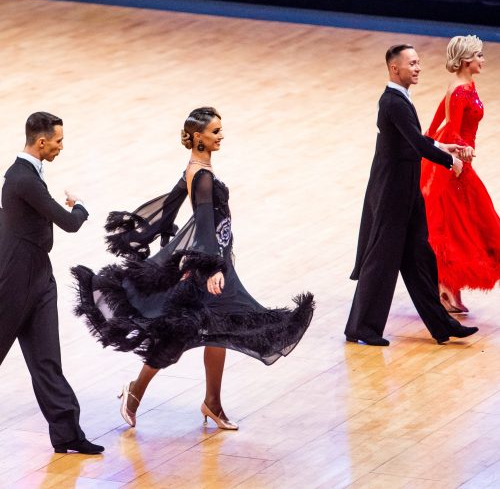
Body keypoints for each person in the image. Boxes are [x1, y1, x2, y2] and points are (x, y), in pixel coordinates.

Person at [72, 107, 314, 430]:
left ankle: (211, 403)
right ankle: (137, 391)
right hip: (213, 267)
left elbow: (171, 207)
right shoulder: (202, 176)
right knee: (179, 334)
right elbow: (203, 222)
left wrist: (158, 236)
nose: (221, 136)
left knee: (218, 329)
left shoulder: (193, 169)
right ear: (199, 137)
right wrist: (211, 267)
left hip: (217, 261)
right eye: (215, 132)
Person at [344, 45, 479, 346]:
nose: (418, 68)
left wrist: (445, 147)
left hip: (407, 191)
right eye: (413, 63)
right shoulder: (392, 102)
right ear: (395, 68)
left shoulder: (400, 100)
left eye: (419, 63)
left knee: (420, 256)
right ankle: (361, 328)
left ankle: (441, 324)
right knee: (381, 261)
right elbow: (417, 146)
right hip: (392, 193)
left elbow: (411, 141)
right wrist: (450, 161)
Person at [0, 112, 104, 454]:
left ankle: (67, 434)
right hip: (15, 279)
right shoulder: (21, 178)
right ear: (41, 141)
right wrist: (81, 207)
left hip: (40, 276)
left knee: (46, 360)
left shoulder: (28, 175)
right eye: (58, 140)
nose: (61, 146)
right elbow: (69, 223)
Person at [421, 35, 500, 313]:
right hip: (455, 163)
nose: (482, 60)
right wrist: (454, 154)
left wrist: (426, 139)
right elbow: (452, 127)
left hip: (458, 158)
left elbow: (437, 115)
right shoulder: (460, 89)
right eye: (478, 55)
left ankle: (447, 288)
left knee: (460, 223)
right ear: (466, 60)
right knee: (460, 224)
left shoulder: (463, 85)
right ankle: (445, 288)